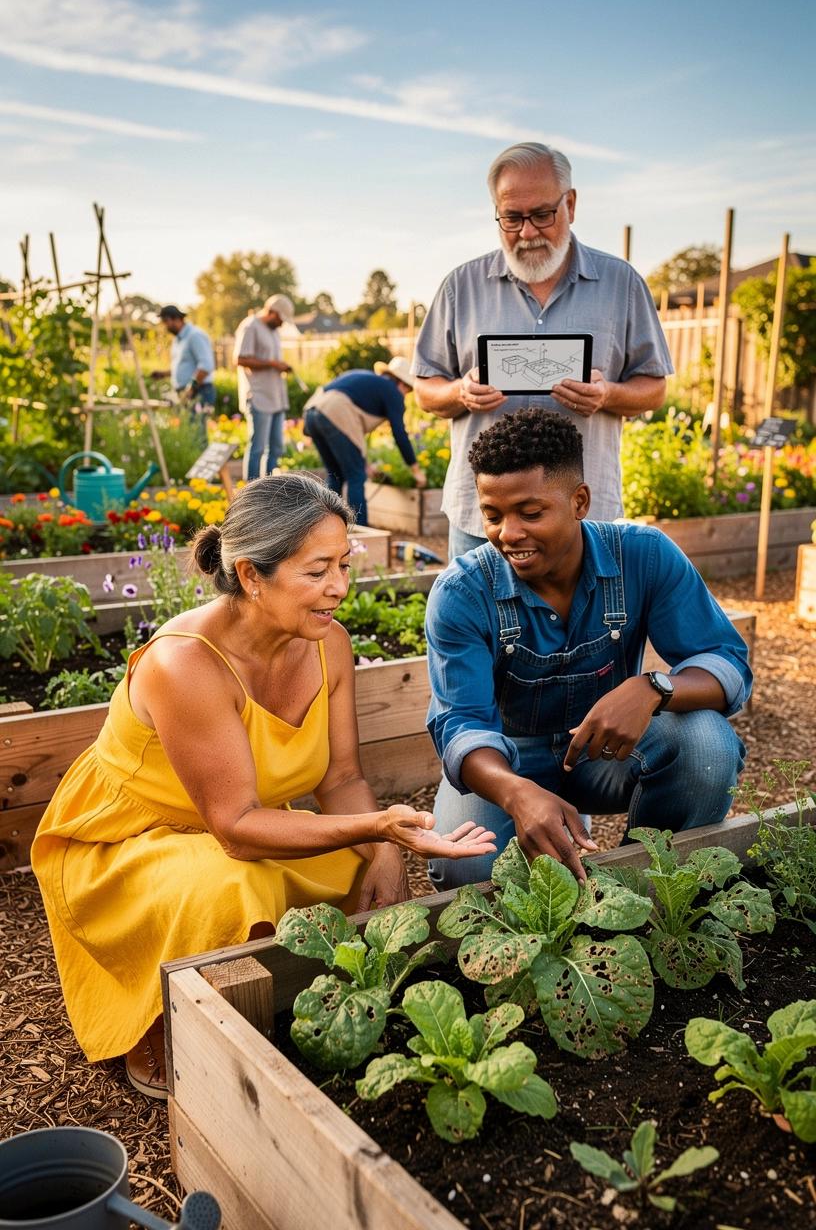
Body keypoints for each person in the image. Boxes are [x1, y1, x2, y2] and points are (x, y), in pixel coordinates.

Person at [31, 474, 495, 1098]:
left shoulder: (328, 643)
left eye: (344, 564)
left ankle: (281, 994)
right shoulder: (185, 662)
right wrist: (380, 828)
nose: (339, 587)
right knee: (232, 888)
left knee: (359, 870)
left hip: (245, 819)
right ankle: (161, 1013)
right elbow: (237, 831)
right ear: (251, 575)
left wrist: (384, 850)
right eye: (317, 571)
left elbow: (342, 777)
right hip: (129, 840)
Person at [423, 409, 751, 892]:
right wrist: (515, 792)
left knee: (707, 745)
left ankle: (648, 887)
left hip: (604, 753)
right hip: (506, 759)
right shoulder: (462, 592)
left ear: (579, 501)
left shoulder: (643, 555)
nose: (508, 533)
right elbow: (462, 724)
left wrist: (653, 688)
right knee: (463, 867)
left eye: (530, 513)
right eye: (493, 515)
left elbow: (726, 661)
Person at [412, 141, 674, 558]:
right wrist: (461, 392)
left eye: (541, 215)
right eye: (512, 218)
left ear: (570, 204)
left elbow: (654, 388)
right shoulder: (461, 286)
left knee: (587, 606)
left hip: (584, 519)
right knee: (474, 605)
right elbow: (426, 389)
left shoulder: (621, 284)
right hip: (483, 521)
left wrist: (607, 394)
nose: (528, 232)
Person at [303, 356, 427, 526]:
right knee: (356, 477)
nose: (406, 395)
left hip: (312, 412)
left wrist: (365, 463)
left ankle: (325, 526)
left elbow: (352, 433)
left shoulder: (369, 381)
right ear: (402, 384)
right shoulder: (393, 392)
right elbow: (400, 434)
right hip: (336, 412)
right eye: (409, 390)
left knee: (335, 474)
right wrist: (415, 469)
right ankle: (360, 530)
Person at [234, 294, 295, 480]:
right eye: (280, 319)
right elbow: (240, 359)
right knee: (258, 447)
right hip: (259, 395)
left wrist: (280, 366)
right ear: (272, 312)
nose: (282, 324)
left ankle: (270, 489)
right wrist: (272, 364)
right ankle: (251, 491)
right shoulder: (250, 326)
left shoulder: (274, 331)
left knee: (276, 448)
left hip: (276, 396)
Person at [152, 305, 216, 443]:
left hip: (199, 391)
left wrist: (191, 388)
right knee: (189, 434)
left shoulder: (195, 336)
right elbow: (184, 366)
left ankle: (201, 457)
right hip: (187, 392)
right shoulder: (178, 340)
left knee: (196, 435)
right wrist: (163, 374)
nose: (165, 326)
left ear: (175, 319)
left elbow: (206, 366)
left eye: (165, 322)